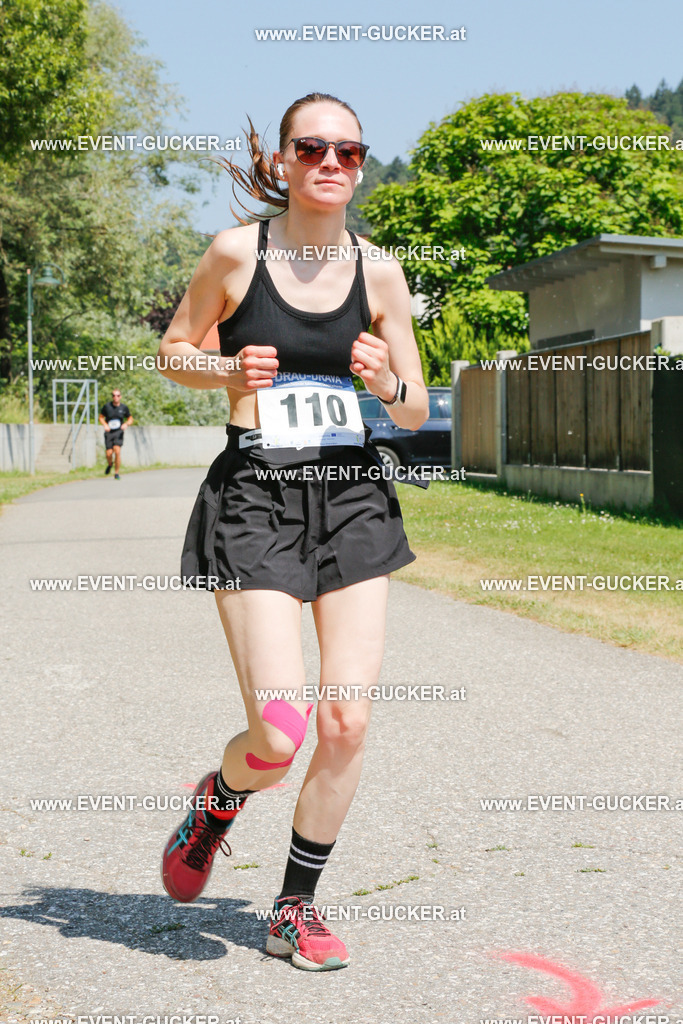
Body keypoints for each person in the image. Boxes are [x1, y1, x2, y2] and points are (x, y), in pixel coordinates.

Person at [156, 92, 429, 972]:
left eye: (349, 151)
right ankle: (216, 803)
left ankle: (292, 910)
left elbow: (417, 407)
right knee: (279, 731)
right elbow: (172, 351)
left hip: (351, 497)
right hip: (256, 499)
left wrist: (387, 382)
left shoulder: (379, 273)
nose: (331, 163)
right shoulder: (238, 253)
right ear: (281, 161)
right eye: (312, 147)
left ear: (360, 164)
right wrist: (224, 365)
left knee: (345, 723)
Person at [99, 389, 133, 478]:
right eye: (114, 395)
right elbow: (101, 417)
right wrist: (105, 425)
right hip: (109, 432)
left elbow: (130, 419)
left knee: (117, 451)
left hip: (119, 432)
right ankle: (110, 464)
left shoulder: (124, 408)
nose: (116, 397)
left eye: (118, 395)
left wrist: (126, 424)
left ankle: (116, 473)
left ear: (120, 397)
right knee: (109, 453)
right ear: (112, 397)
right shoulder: (107, 407)